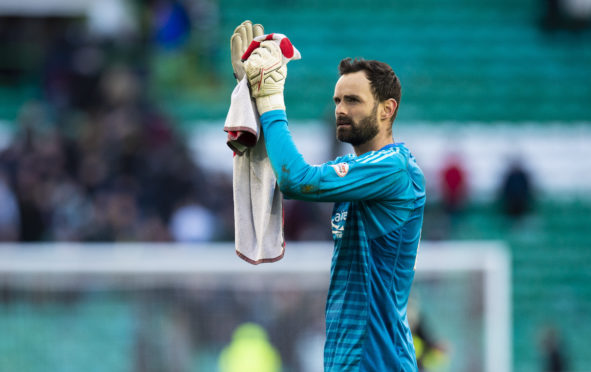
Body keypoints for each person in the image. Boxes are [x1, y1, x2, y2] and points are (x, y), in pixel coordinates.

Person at [233, 22, 426, 371]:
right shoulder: (357, 172)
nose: (340, 109)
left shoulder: (394, 168)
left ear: (387, 109)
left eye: (353, 100)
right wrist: (252, 98)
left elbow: (296, 180)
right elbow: (280, 176)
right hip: (346, 360)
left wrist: (272, 99)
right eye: (337, 100)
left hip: (378, 363)